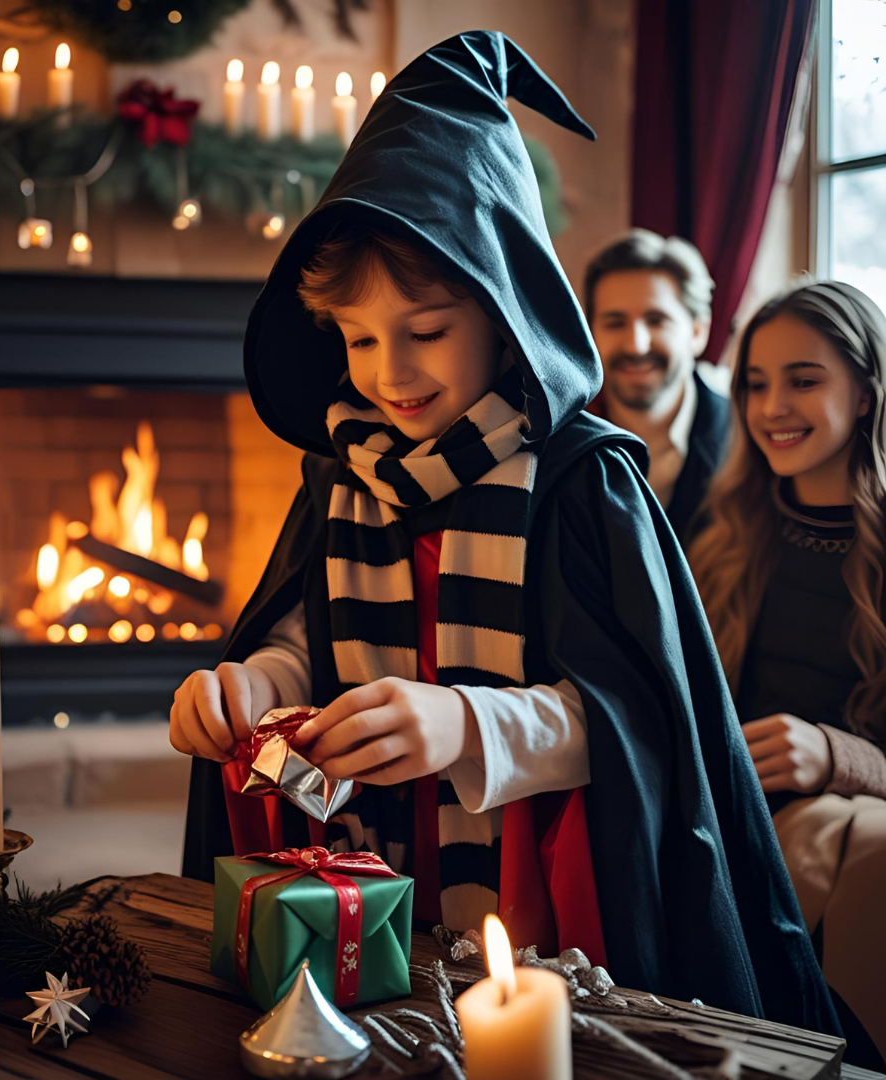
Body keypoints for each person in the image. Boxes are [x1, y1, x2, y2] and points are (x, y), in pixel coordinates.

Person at [177, 30, 837, 1032]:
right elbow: (308, 635)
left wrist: (466, 726)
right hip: (372, 880)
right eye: (358, 339)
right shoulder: (342, 476)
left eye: (427, 330)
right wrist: (257, 682)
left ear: (506, 309)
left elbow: (645, 726)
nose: (389, 374)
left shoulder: (581, 480)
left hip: (556, 918)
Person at [688, 280, 886, 1061]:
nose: (772, 406)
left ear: (866, 392)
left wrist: (835, 757)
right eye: (755, 383)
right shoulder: (725, 535)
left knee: (864, 839)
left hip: (851, 836)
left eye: (803, 380)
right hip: (733, 821)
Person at [585, 230, 730, 540]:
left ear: (697, 331)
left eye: (656, 320)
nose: (636, 345)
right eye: (615, 322)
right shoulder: (557, 440)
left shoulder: (745, 437)